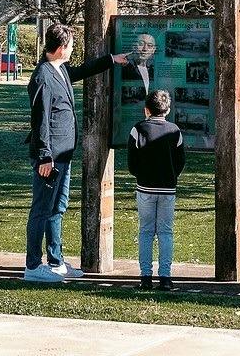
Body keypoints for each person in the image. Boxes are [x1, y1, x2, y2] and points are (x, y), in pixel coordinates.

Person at [24, 22, 129, 283]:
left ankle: (56, 261)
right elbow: (41, 121)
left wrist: (111, 60)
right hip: (50, 158)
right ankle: (33, 266)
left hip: (64, 155)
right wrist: (44, 156)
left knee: (57, 208)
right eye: (70, 46)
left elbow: (81, 71)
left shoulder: (59, 70)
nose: (72, 50)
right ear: (61, 49)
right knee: (41, 210)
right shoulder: (43, 77)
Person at [127, 88, 186, 290]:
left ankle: (145, 277)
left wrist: (142, 175)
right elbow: (180, 162)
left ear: (146, 110)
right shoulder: (174, 130)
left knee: (145, 231)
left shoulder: (138, 129)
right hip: (167, 188)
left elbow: (131, 163)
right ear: (167, 110)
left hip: (145, 187)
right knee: (165, 232)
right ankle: (165, 277)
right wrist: (170, 176)